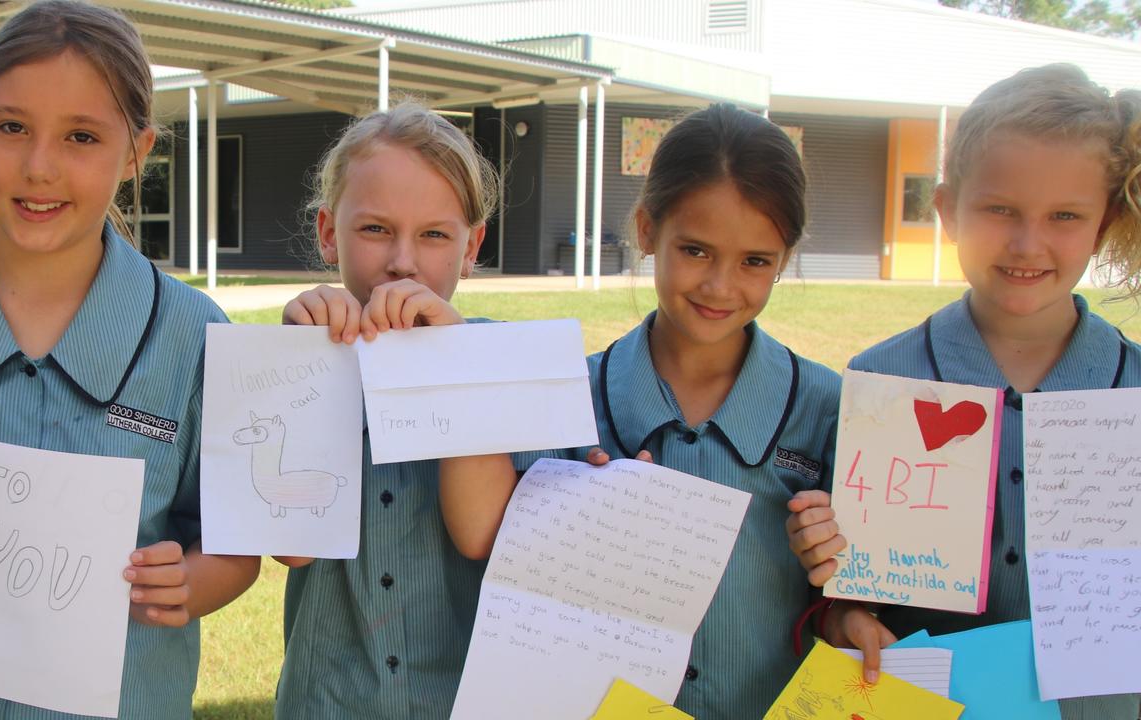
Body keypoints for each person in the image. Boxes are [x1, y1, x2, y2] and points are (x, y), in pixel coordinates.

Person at [0, 2, 259, 716]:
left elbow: (233, 545)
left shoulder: (196, 338)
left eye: (81, 136)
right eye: (11, 127)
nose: (39, 166)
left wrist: (192, 583)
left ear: (136, 152)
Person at [440, 103, 841, 719]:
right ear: (649, 230)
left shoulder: (827, 410)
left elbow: (851, 604)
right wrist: (570, 510)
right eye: (697, 251)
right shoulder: (567, 394)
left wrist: (842, 577)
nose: (720, 286)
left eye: (755, 261)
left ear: (784, 258)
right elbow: (485, 538)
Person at [786, 64, 1141, 720]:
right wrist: (843, 609)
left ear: (1105, 220)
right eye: (999, 209)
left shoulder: (1135, 395)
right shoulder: (881, 383)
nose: (1027, 242)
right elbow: (847, 597)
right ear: (947, 210)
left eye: (1065, 215)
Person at [274, 102, 534, 719]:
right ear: (328, 232)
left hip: (466, 701)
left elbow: (480, 534)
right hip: (327, 700)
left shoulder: (508, 364)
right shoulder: (302, 358)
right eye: (374, 229)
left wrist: (453, 363)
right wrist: (299, 367)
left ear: (472, 247)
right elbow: (293, 548)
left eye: (434, 235)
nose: (403, 262)